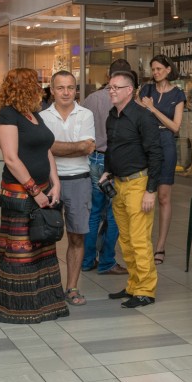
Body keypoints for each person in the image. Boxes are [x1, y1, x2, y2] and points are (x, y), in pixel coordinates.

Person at [0, 68, 69, 324]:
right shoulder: (8, 115)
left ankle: (45, 304)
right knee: (21, 253)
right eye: (34, 83)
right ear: (23, 87)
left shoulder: (34, 114)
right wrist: (35, 191)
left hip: (43, 190)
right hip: (21, 196)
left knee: (41, 248)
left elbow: (46, 150)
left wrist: (55, 183)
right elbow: (11, 159)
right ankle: (20, 309)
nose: (39, 88)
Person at [101, 69, 163, 308]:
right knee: (125, 240)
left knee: (139, 240)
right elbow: (112, 147)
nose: (111, 91)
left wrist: (151, 190)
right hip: (118, 184)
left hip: (139, 184)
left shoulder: (143, 117)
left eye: (116, 87)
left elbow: (156, 153)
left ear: (130, 90)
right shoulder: (112, 116)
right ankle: (134, 285)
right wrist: (107, 170)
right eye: (110, 87)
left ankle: (146, 290)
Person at [41, 70, 96, 306]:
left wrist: (54, 147)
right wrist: (76, 146)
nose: (66, 92)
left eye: (70, 87)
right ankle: (47, 288)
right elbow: (44, 148)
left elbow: (88, 148)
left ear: (76, 90)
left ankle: (72, 288)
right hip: (48, 182)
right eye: (61, 88)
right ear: (52, 90)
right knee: (44, 238)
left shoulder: (86, 114)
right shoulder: (42, 117)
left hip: (79, 180)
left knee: (76, 237)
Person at [81, 59, 131, 277]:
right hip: (115, 162)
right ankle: (107, 261)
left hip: (94, 158)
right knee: (114, 214)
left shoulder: (92, 98)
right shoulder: (126, 98)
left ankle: (87, 260)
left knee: (93, 212)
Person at [138, 55, 185, 265]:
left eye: (159, 69)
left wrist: (153, 109)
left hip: (166, 142)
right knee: (142, 193)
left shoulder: (178, 94)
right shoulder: (146, 90)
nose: (155, 72)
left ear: (168, 69)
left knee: (164, 197)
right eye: (153, 69)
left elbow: (175, 127)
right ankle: (143, 243)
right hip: (146, 142)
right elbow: (137, 115)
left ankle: (160, 246)